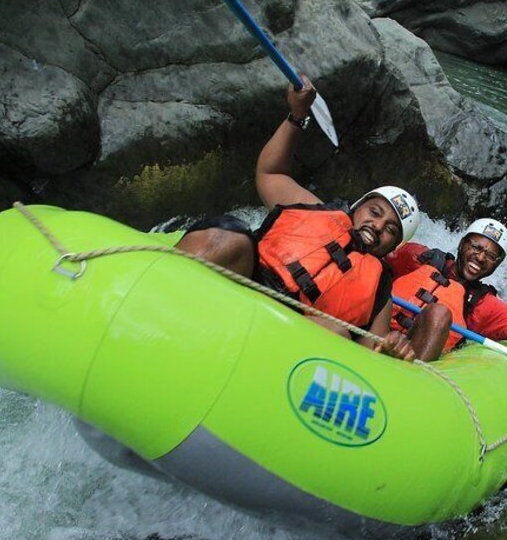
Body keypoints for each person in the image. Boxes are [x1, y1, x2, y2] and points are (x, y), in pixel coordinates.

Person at [176, 76, 419, 360]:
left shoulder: (380, 292)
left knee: (337, 333)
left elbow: (371, 355)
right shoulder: (315, 209)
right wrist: (298, 114)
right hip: (245, 285)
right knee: (227, 238)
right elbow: (271, 172)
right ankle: (157, 295)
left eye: (391, 229)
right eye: (375, 212)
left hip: (289, 335)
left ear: (393, 247)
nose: (377, 226)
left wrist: (391, 348)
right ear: (358, 207)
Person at [386, 219, 507, 393]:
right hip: (378, 338)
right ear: (462, 244)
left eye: (491, 256)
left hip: (415, 364)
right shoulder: (420, 257)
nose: (481, 257)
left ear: (496, 266)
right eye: (476, 247)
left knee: (439, 313)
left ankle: (409, 388)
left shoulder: (484, 304)